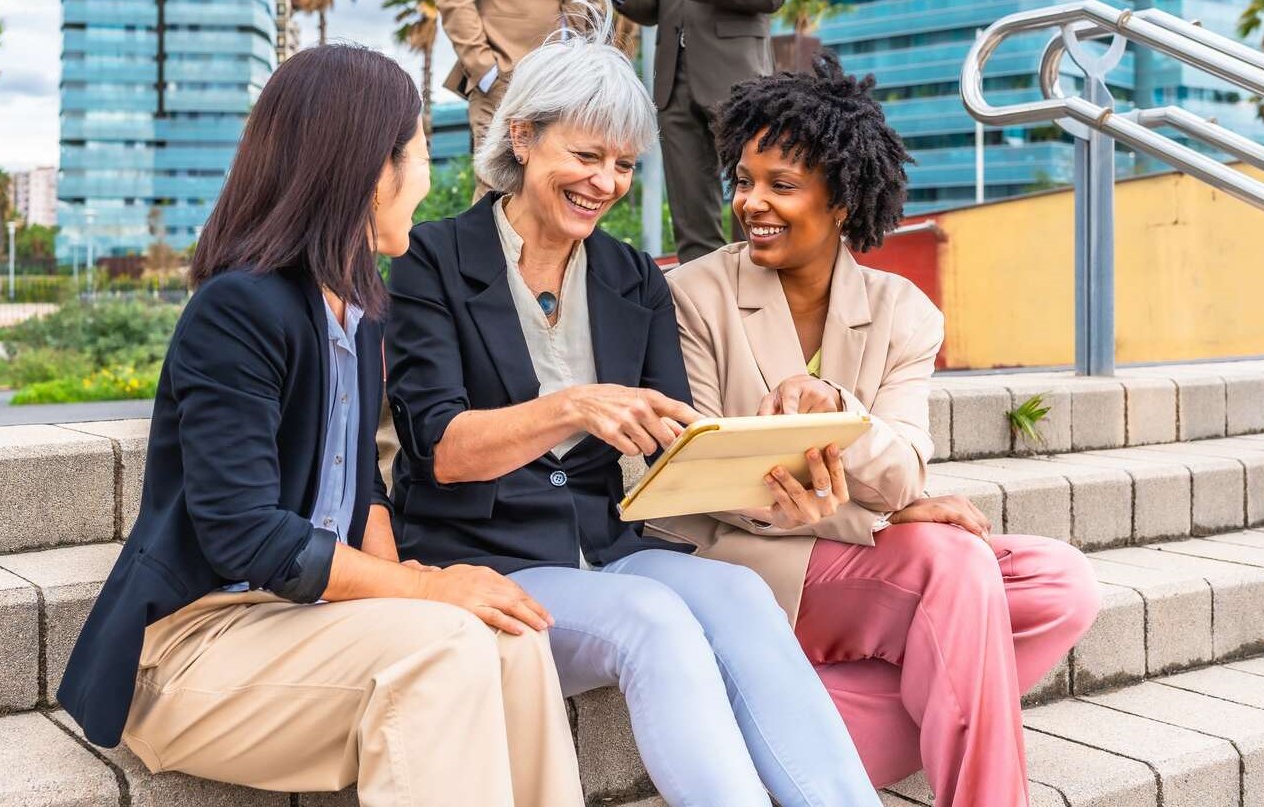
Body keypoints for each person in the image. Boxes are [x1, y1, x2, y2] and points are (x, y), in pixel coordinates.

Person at [56, 46, 585, 807]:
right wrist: (421, 595)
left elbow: (361, 486)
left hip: (304, 622)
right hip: (195, 649)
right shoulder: (238, 310)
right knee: (447, 641)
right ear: (374, 173)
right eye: (420, 154)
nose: (429, 181)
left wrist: (414, 586)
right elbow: (246, 534)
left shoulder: (359, 309)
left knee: (512, 629)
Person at [385, 26, 878, 807]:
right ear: (522, 134)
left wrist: (770, 481)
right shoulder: (431, 262)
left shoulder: (632, 277)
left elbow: (671, 448)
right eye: (586, 157)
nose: (605, 183)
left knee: (739, 591)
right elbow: (441, 451)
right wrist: (571, 404)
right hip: (481, 560)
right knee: (654, 618)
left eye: (623, 165)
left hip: (604, 549)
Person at [647, 58, 1102, 807]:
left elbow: (901, 467)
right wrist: (889, 512)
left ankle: (799, 726)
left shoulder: (904, 313)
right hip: (744, 560)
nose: (749, 202)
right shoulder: (693, 296)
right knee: (951, 564)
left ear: (842, 200)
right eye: (743, 180)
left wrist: (837, 411)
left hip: (850, 558)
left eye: (780, 186)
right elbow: (714, 481)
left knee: (1061, 583)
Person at [615, 0, 779, 262]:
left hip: (739, 76)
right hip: (673, 79)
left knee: (754, 193)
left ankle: (759, 284)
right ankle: (702, 293)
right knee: (689, 210)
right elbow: (645, 10)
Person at [439, 0, 600, 198]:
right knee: (498, 189)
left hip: (572, 77)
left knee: (565, 185)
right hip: (505, 77)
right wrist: (484, 70)